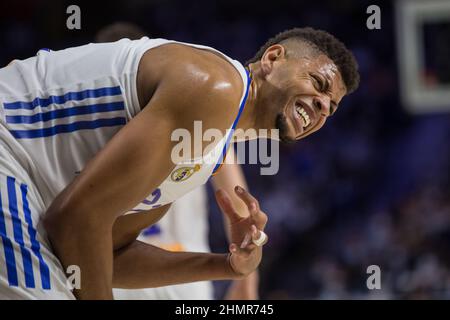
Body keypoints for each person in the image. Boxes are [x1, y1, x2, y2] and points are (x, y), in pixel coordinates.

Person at [0, 27, 359, 299]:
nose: (323, 106)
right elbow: (74, 219)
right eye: (318, 83)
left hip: (25, 185)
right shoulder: (216, 87)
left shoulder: (211, 152)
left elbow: (113, 256)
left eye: (332, 105)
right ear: (272, 59)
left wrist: (227, 266)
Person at [94, 22, 259, 300]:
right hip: (185, 275)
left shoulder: (100, 124)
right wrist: (247, 282)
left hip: (121, 272)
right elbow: (239, 202)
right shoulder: (204, 122)